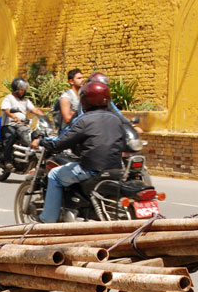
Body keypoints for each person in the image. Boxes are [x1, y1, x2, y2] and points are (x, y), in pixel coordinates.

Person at [30, 81, 127, 223]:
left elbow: (59, 143)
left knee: (54, 175)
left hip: (92, 170)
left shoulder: (84, 120)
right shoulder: (116, 119)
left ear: (86, 100)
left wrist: (41, 141)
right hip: (116, 169)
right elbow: (122, 143)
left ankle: (48, 219)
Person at [0, 77, 45, 168]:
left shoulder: (25, 101)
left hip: (21, 126)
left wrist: (44, 117)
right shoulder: (9, 98)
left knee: (34, 135)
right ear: (15, 89)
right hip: (8, 125)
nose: (22, 92)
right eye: (21, 90)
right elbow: (6, 110)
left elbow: (34, 109)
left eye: (23, 90)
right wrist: (14, 117)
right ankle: (7, 160)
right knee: (11, 137)